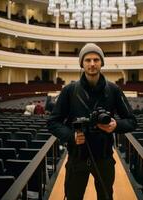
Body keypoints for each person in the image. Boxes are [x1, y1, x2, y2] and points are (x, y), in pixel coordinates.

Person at [47, 43, 137, 200]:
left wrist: (116, 125)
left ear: (102, 62)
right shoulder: (69, 90)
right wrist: (71, 136)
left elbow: (132, 121)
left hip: (104, 157)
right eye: (88, 60)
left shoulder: (114, 89)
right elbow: (53, 122)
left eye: (96, 59)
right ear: (82, 63)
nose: (92, 64)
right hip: (77, 157)